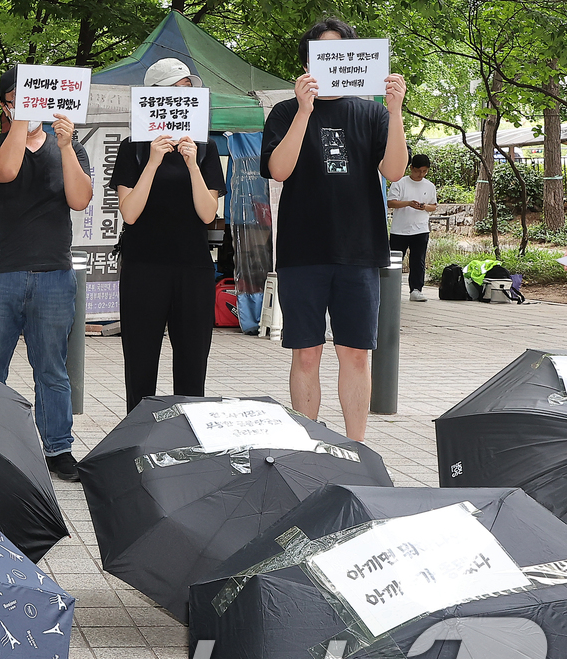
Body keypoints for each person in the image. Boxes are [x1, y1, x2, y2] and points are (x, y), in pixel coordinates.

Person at [262, 18, 407, 443]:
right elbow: (277, 169)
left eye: (339, 53)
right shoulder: (286, 112)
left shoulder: (371, 112)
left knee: (356, 354)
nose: (330, 62)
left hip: (359, 251)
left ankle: (356, 447)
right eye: (321, 54)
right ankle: (306, 444)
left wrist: (395, 110)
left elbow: (394, 170)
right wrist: (305, 110)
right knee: (306, 353)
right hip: (301, 251)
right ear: (308, 62)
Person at [0, 67, 93, 482]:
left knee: (52, 367)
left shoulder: (68, 145)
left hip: (55, 274)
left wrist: (67, 146)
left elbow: (80, 199)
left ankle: (58, 447)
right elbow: (4, 170)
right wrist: (23, 120)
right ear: (4, 105)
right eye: (17, 99)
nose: (27, 106)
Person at [110, 59, 226, 414]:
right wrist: (153, 163)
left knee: (192, 367)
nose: (182, 98)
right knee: (140, 364)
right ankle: (137, 441)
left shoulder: (203, 149)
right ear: (154, 97)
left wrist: (191, 164)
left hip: (193, 268)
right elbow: (130, 212)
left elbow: (208, 213)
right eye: (175, 91)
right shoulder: (134, 148)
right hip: (143, 266)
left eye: (188, 92)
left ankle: (187, 443)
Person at [387, 153, 437, 301]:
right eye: (418, 171)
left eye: (424, 171)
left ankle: (416, 289)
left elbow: (433, 206)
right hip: (399, 230)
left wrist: (424, 207)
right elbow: (391, 203)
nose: (421, 174)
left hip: (420, 229)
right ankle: (390, 289)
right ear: (411, 168)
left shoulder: (429, 186)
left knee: (418, 261)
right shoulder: (399, 183)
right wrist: (408, 203)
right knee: (394, 261)